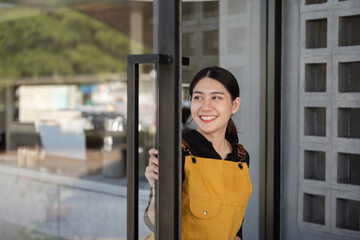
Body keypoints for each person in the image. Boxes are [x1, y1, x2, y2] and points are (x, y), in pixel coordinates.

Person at [144, 66, 252, 240]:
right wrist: (157, 189)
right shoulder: (176, 150)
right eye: (198, 97)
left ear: (235, 105)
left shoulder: (240, 157)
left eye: (216, 97)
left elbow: (235, 226)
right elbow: (155, 224)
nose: (205, 106)